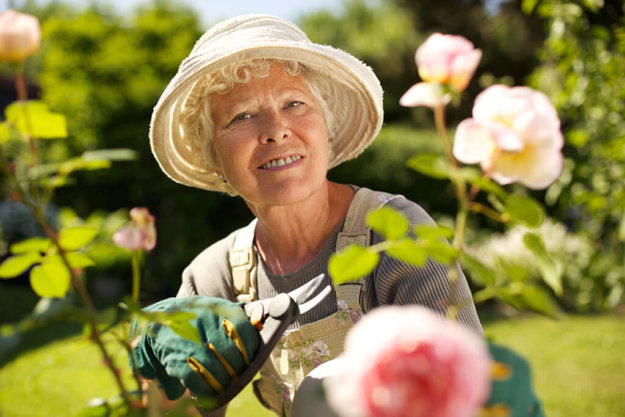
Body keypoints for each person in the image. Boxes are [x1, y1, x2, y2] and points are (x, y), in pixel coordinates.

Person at [145, 13, 482, 417]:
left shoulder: (395, 233)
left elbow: (470, 393)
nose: (276, 129)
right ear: (214, 159)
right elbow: (176, 411)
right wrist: (166, 380)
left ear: (325, 127)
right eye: (242, 116)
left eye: (294, 104)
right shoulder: (216, 275)